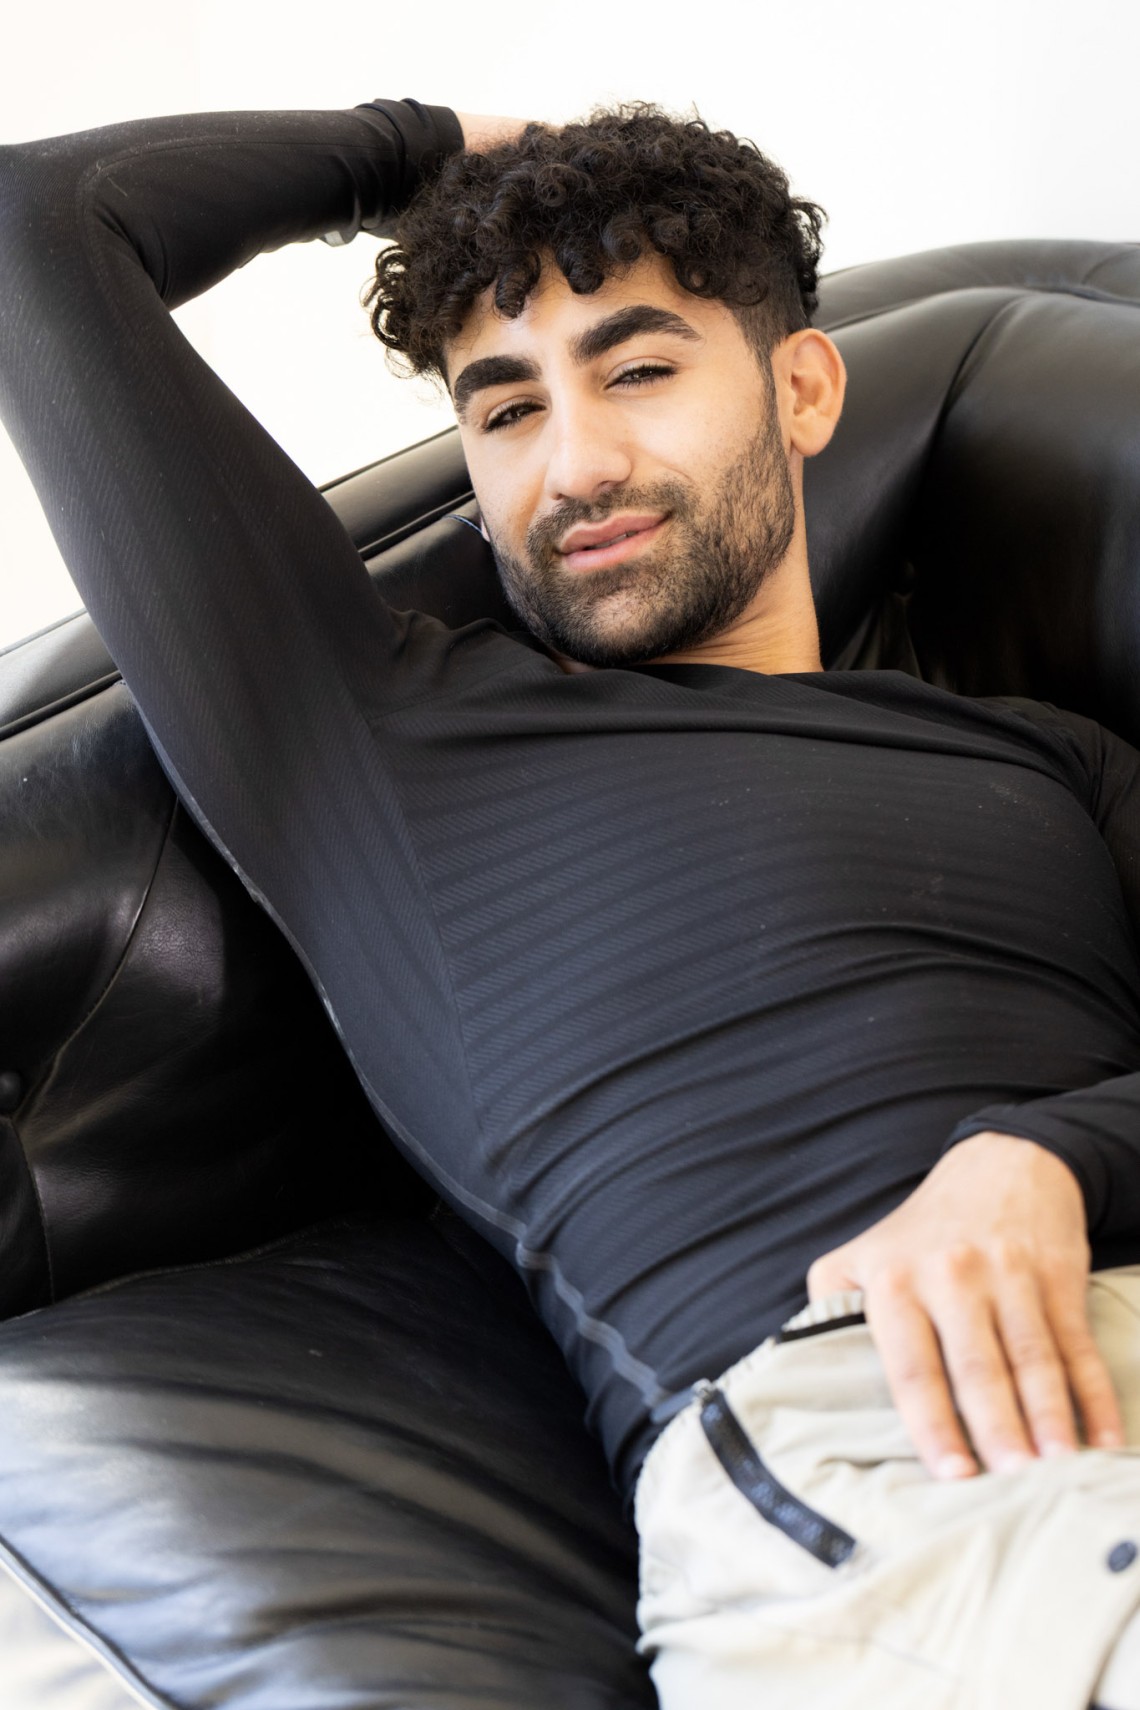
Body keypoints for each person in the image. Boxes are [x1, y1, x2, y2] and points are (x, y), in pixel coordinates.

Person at [2, 96, 1140, 1708]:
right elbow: (39, 224)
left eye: (639, 368)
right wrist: (428, 146)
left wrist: (1043, 1156)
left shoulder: (1052, 760)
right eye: (507, 408)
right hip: (907, 1444)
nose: (576, 464)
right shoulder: (376, 737)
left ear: (804, 389)